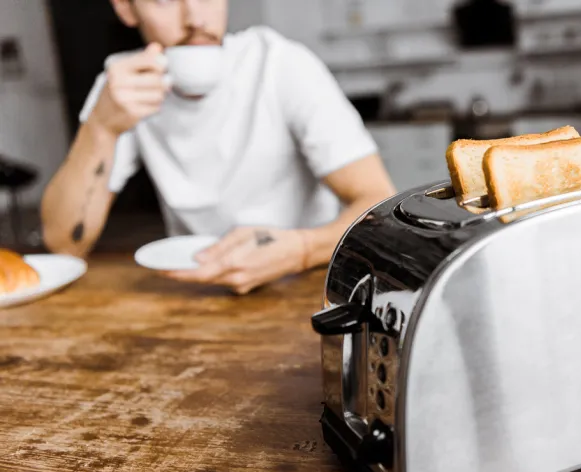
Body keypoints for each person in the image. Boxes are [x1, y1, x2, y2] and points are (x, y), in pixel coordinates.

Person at [40, 0, 396, 294]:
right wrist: (100, 128)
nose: (195, 18)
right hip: (200, 292)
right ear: (126, 9)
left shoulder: (281, 65)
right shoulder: (122, 87)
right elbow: (64, 244)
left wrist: (302, 251)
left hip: (306, 286)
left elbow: (378, 201)